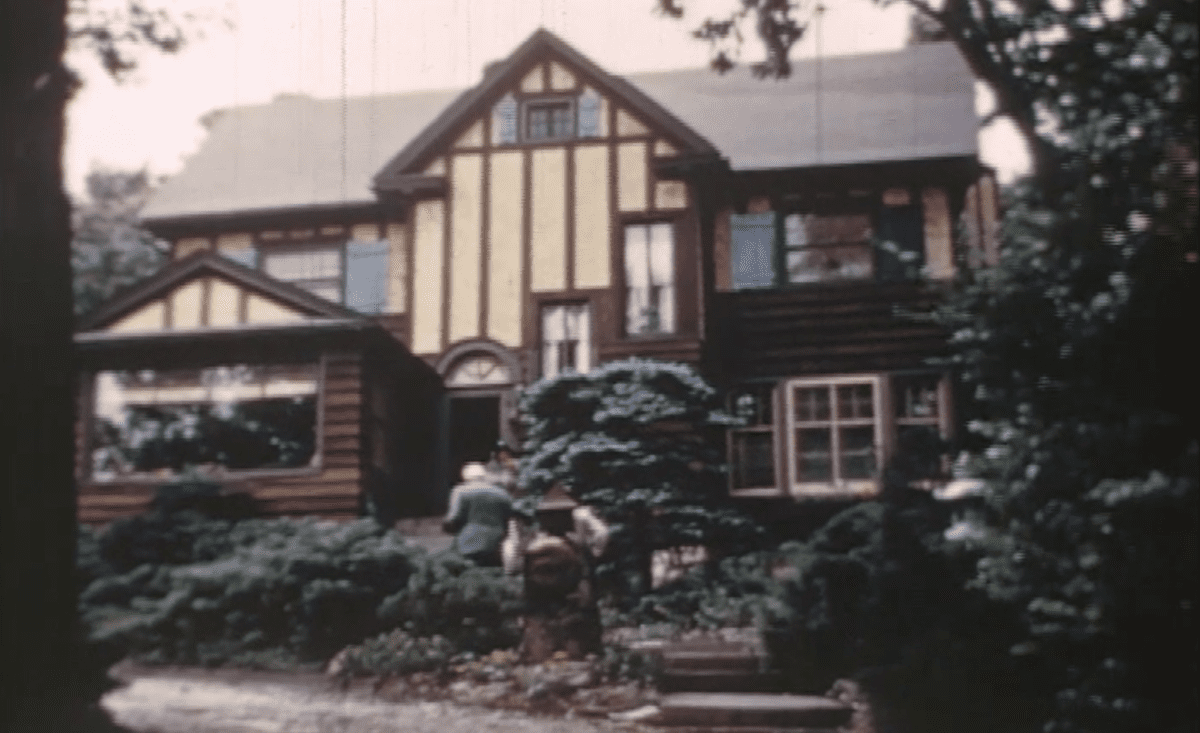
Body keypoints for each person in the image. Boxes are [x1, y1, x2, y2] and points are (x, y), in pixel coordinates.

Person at [442, 461, 513, 567]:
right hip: (497, 544)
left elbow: (453, 518)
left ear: (465, 477)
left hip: (469, 543)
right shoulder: (502, 493)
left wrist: (447, 527)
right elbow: (509, 519)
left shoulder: (461, 491)